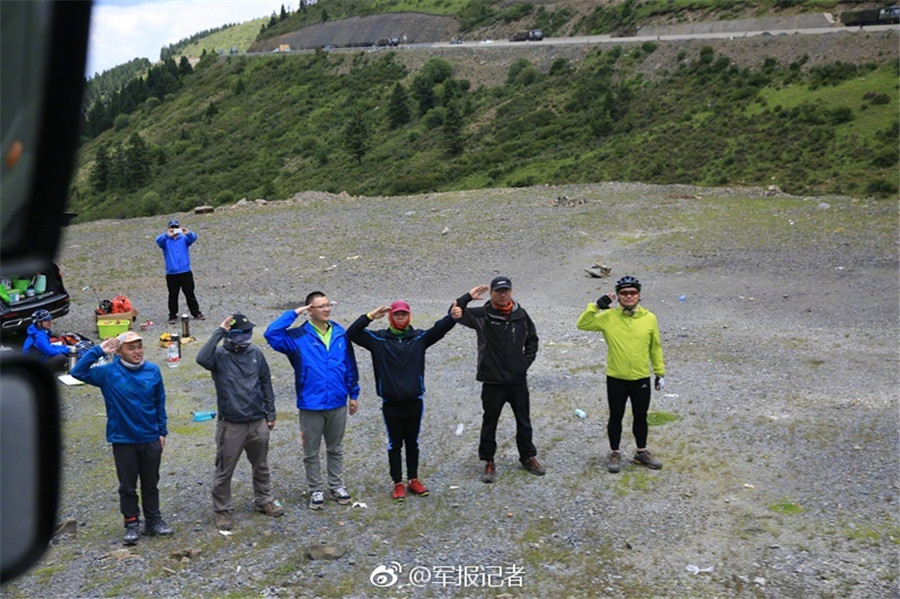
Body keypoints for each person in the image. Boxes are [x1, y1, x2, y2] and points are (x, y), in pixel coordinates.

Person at [347, 298, 461, 501]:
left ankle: (414, 479)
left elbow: (439, 329)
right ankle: (397, 483)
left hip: (414, 401)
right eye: (397, 314)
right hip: (391, 403)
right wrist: (370, 316)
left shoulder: (419, 338)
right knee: (394, 444)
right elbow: (353, 333)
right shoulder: (378, 340)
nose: (400, 318)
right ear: (391, 317)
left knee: (412, 442)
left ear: (409, 316)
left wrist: (452, 317)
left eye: (404, 314)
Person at [70, 331, 172, 545]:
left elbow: (159, 403)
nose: (137, 351)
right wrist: (98, 350)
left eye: (139, 346)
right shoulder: (107, 373)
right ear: (119, 351)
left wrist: (162, 432)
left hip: (150, 437)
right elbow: (77, 372)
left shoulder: (152, 371)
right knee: (127, 485)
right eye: (131, 348)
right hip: (123, 439)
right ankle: (131, 523)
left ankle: (153, 521)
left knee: (151, 483)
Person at [264, 292, 360, 510]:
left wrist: (353, 394)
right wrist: (293, 313)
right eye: (320, 306)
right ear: (310, 310)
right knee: (311, 450)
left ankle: (337, 486)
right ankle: (315, 489)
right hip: (311, 403)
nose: (326, 309)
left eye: (328, 305)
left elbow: (349, 365)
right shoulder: (297, 337)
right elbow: (271, 334)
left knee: (335, 448)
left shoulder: (339, 333)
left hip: (337, 401)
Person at [196, 313, 284, 531]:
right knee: (225, 468)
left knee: (261, 465)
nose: (247, 336)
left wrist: (270, 414)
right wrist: (219, 331)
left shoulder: (255, 353)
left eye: (249, 332)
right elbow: (201, 359)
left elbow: (266, 383)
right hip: (231, 423)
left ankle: (264, 500)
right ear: (231, 335)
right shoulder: (218, 355)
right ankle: (222, 510)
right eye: (242, 333)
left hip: (257, 420)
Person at [453, 277, 544, 483]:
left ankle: (528, 457)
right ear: (492, 293)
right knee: (489, 422)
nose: (502, 295)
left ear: (511, 292)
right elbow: (455, 313)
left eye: (506, 291)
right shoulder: (482, 316)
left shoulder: (521, 315)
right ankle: (488, 461)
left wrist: (524, 363)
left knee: (524, 421)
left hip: (517, 381)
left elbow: (533, 340)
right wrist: (468, 297)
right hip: (492, 381)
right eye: (498, 291)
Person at [575, 275, 666, 473]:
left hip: (641, 377)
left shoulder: (650, 318)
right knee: (616, 416)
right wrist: (596, 306)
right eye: (624, 293)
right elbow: (582, 324)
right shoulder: (609, 317)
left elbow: (655, 347)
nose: (628, 296)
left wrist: (659, 372)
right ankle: (615, 452)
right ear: (617, 296)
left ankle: (641, 452)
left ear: (639, 295)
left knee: (640, 416)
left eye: (632, 292)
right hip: (616, 377)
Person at [155, 218, 205, 325]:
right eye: (172, 228)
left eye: (176, 227)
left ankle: (196, 313)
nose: (174, 230)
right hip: (172, 273)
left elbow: (194, 238)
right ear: (168, 229)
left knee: (190, 293)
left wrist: (188, 232)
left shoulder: (184, 239)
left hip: (185, 271)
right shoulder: (165, 241)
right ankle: (172, 315)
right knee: (173, 295)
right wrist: (167, 235)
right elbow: (157, 240)